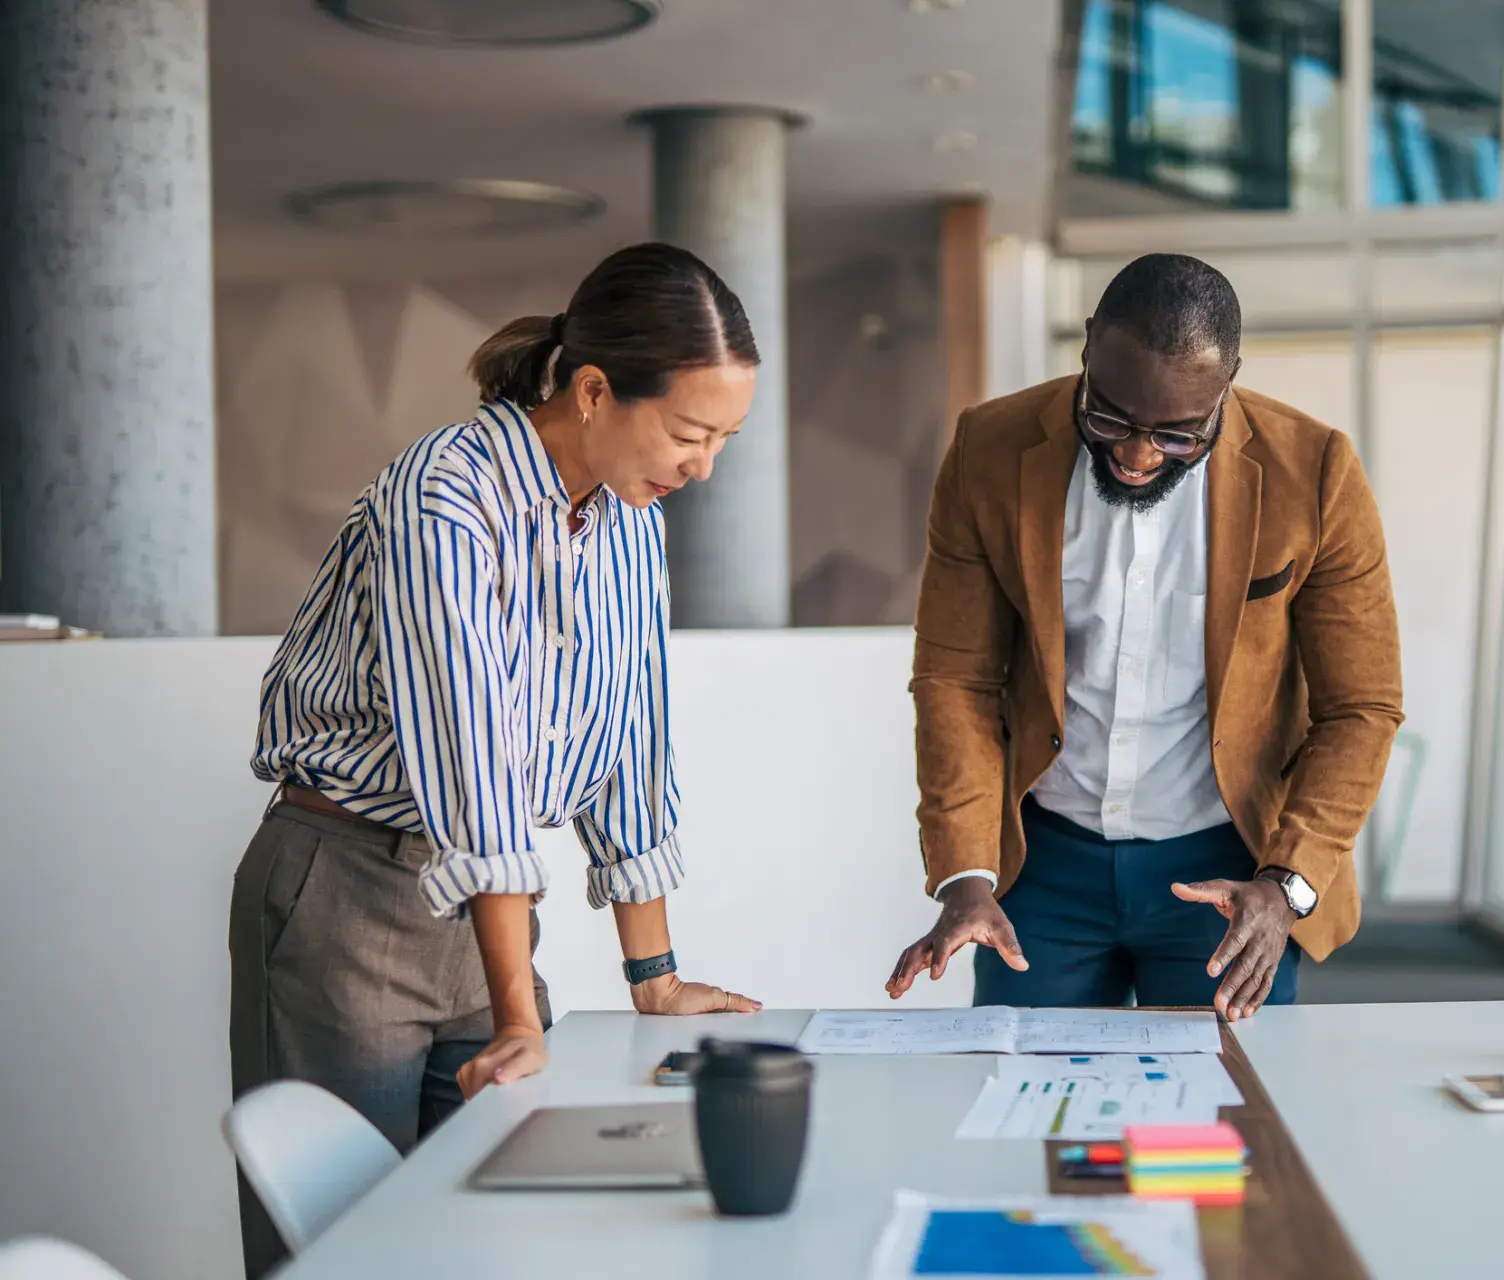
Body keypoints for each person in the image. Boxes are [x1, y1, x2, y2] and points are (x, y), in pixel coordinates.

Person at [231, 243, 761, 1276]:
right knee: (348, 1249)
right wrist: (522, 1015)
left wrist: (652, 978)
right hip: (347, 896)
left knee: (500, 1234)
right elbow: (470, 758)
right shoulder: (443, 495)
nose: (704, 467)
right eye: (691, 432)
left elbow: (632, 742)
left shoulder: (628, 517)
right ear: (596, 389)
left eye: (725, 439)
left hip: (487, 913)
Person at [887, 253, 1403, 1017]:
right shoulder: (988, 451)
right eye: (1110, 418)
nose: (1134, 457)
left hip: (1228, 876)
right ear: (1089, 345)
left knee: (1222, 1121)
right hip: (1043, 867)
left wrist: (1285, 887)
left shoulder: (1313, 473)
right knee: (1033, 1115)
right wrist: (967, 876)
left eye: (1177, 437)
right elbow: (956, 678)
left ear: (1228, 382)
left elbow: (1361, 706)